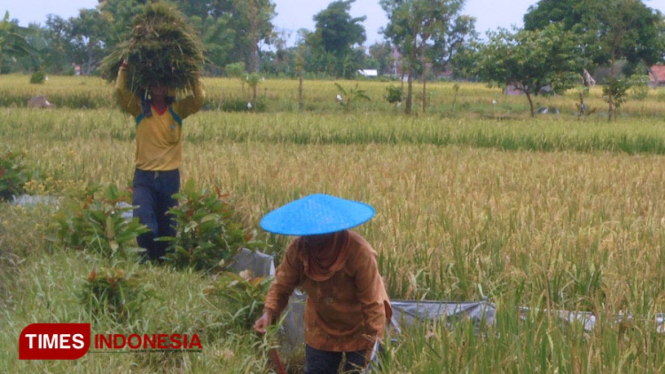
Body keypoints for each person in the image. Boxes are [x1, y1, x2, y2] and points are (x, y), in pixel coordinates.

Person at [253, 194, 392, 374]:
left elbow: (372, 303)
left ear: (332, 231)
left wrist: (375, 345)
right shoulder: (298, 250)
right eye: (307, 235)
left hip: (361, 325)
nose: (312, 240)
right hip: (321, 326)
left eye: (318, 235)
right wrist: (268, 313)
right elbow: (281, 287)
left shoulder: (359, 252)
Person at [116, 61, 205, 262]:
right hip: (144, 176)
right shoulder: (140, 109)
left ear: (168, 87)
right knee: (144, 221)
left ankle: (162, 262)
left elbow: (199, 98)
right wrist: (124, 69)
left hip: (169, 177)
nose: (158, 88)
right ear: (148, 87)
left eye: (162, 84)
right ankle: (146, 255)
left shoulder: (177, 110)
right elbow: (121, 91)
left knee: (168, 227)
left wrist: (194, 75)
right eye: (154, 84)